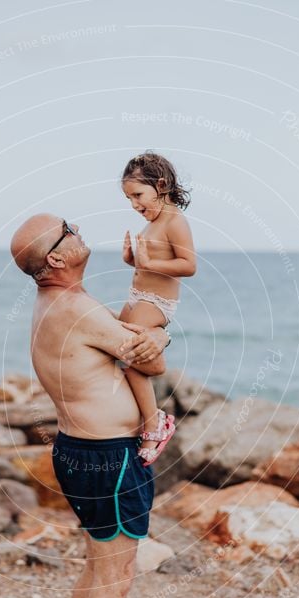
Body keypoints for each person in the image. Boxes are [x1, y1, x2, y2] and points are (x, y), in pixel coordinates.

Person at [10, 213, 171, 598]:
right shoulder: (78, 309)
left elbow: (129, 350)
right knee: (113, 577)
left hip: (79, 450)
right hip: (110, 459)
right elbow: (150, 364)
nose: (78, 231)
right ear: (56, 258)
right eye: (68, 229)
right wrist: (159, 336)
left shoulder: (51, 305)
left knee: (96, 566)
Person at [120, 152, 196, 465]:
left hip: (157, 303)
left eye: (138, 195)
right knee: (113, 350)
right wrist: (132, 260)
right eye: (129, 198)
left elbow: (189, 264)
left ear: (161, 185)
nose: (135, 205)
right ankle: (136, 416)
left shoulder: (174, 221)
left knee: (128, 357)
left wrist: (150, 262)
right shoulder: (152, 223)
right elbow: (147, 266)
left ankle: (155, 423)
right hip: (137, 296)